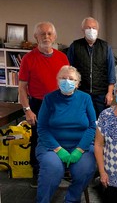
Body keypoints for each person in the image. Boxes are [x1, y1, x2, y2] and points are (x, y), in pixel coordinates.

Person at [18, 21, 70, 187]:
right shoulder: (28, 59)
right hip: (38, 105)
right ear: (36, 37)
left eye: (49, 34)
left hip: (60, 104)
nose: (46, 37)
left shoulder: (62, 57)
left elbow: (68, 82)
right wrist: (27, 110)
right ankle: (37, 173)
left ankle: (59, 171)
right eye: (42, 34)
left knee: (60, 138)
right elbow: (22, 88)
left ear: (54, 36)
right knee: (39, 139)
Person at [36, 65, 96, 203]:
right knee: (52, 169)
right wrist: (58, 149)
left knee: (85, 170)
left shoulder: (85, 98)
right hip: (51, 146)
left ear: (77, 84)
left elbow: (93, 126)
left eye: (71, 79)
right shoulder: (49, 99)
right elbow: (42, 127)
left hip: (81, 145)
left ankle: (72, 199)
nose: (67, 81)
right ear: (57, 81)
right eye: (63, 78)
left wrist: (80, 149)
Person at [67, 16, 116, 118]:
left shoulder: (106, 47)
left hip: (101, 94)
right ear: (83, 30)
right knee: (81, 119)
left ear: (98, 30)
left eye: (94, 28)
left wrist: (110, 93)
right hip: (80, 92)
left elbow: (111, 72)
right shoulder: (75, 46)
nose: (91, 30)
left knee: (100, 121)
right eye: (88, 27)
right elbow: (69, 70)